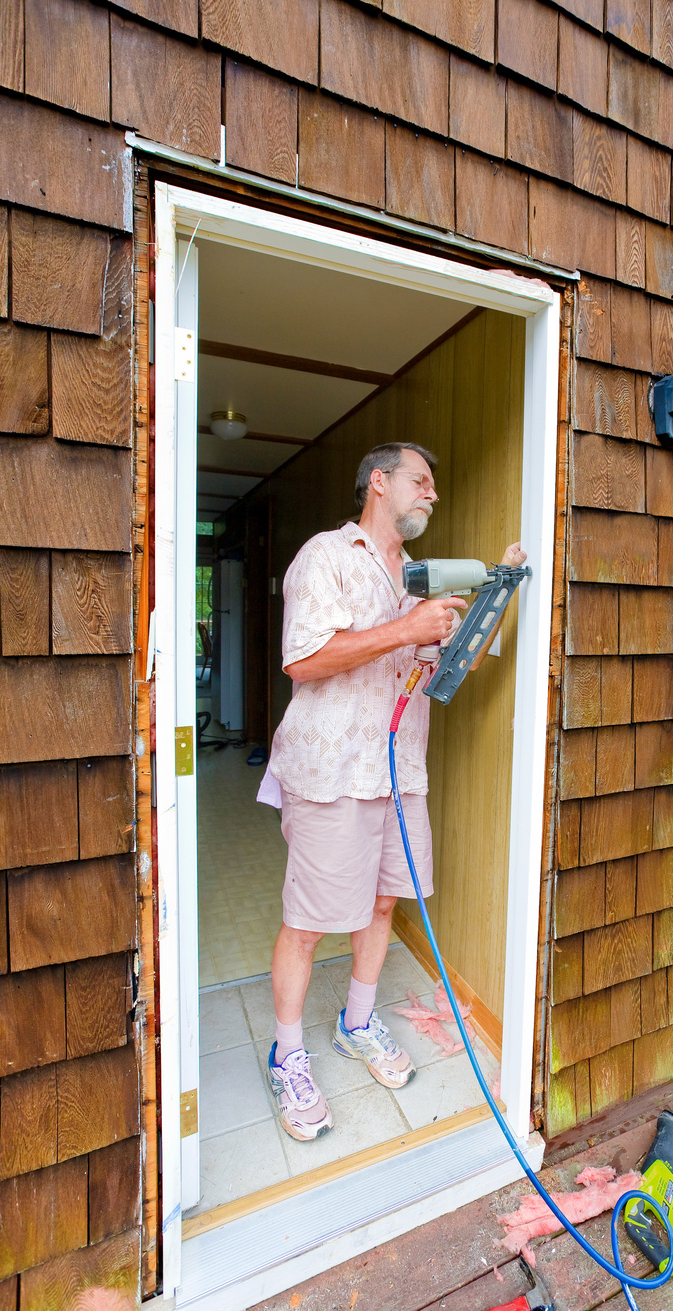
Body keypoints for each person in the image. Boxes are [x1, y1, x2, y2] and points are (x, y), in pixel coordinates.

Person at [257, 441, 526, 1141]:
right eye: (420, 481)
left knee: (382, 900)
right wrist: (405, 625)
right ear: (378, 482)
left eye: (433, 485)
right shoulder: (327, 557)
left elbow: (442, 671)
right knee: (311, 918)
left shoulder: (419, 577)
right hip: (333, 768)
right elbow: (303, 659)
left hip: (400, 768)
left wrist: (496, 596)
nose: (432, 494)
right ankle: (287, 1053)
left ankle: (356, 1021)